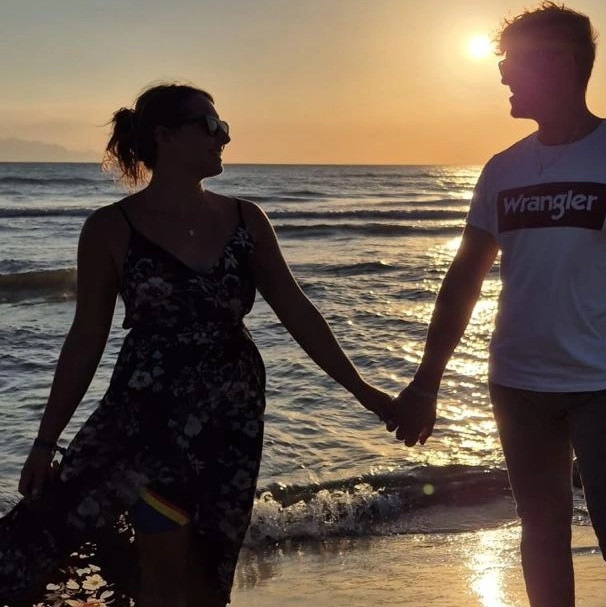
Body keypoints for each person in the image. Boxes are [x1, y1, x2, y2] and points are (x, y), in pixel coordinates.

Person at [0, 83, 392, 607]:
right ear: (164, 136)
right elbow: (85, 339)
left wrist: (366, 393)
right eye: (210, 126)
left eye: (222, 127)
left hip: (231, 420)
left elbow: (298, 312)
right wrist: (45, 442)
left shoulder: (247, 220)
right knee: (151, 567)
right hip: (143, 423)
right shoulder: (109, 228)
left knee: (207, 579)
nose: (223, 137)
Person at [389, 1, 606, 607]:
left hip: (605, 385)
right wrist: (426, 383)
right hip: (517, 385)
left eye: (512, 60)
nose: (502, 73)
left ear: (560, 62)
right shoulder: (502, 169)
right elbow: (464, 279)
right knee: (541, 535)